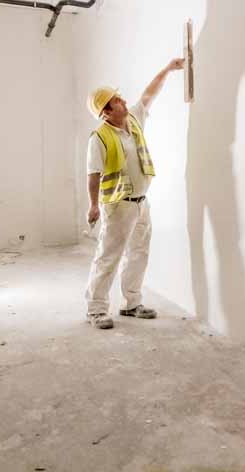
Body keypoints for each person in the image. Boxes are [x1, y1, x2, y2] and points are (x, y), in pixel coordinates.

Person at [84, 57, 184, 329]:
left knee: (138, 253)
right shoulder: (100, 137)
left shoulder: (134, 120)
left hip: (141, 203)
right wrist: (93, 206)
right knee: (109, 256)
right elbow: (93, 174)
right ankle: (96, 309)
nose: (124, 102)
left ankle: (132, 303)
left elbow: (149, 94)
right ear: (105, 112)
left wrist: (168, 69)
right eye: (117, 100)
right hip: (118, 206)